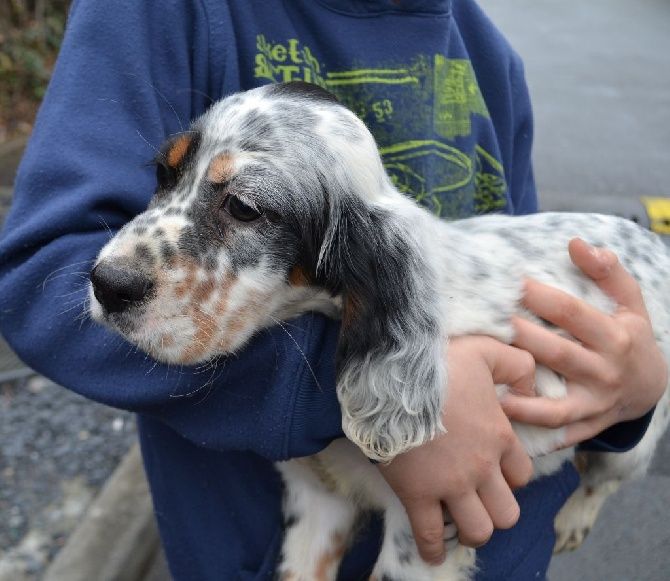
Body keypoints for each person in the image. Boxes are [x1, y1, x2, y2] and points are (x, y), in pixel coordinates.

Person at [0, 1, 665, 579]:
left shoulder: (493, 62)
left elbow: (532, 311)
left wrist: (631, 399)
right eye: (168, 181)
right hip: (263, 551)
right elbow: (41, 275)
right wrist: (396, 395)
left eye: (243, 208)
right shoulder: (169, 12)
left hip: (501, 541)